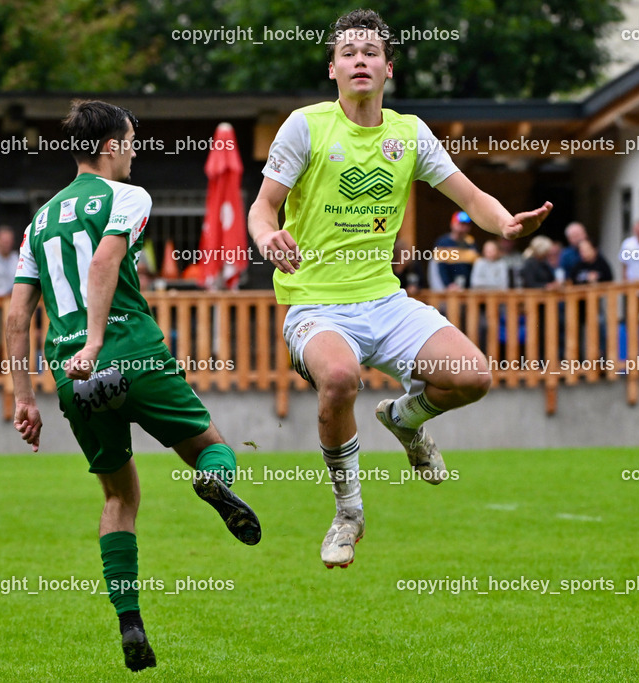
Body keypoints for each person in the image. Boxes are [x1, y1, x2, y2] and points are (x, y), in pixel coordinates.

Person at [247, 9, 551, 569]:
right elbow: (262, 208)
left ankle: (404, 418)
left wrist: (506, 223)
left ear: (389, 67)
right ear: (333, 68)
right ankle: (349, 512)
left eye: (370, 52)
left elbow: (472, 198)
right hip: (315, 304)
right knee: (339, 378)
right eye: (348, 52)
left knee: (473, 377)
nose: (359, 60)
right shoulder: (305, 126)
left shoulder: (410, 134)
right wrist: (267, 237)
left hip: (384, 301)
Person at [5, 100, 261, 672]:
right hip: (128, 352)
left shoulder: (38, 221)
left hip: (68, 373)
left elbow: (17, 316)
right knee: (211, 447)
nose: (136, 151)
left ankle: (130, 622)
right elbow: (104, 262)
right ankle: (213, 484)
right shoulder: (129, 196)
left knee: (120, 498)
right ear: (114, 146)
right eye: (131, 141)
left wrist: (24, 399)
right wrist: (98, 343)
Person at [434, 210, 479, 290]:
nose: (463, 227)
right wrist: (448, 285)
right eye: (460, 224)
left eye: (466, 225)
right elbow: (441, 268)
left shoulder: (471, 243)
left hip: (466, 290)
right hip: (447, 290)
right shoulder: (442, 243)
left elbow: (474, 268)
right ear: (452, 224)